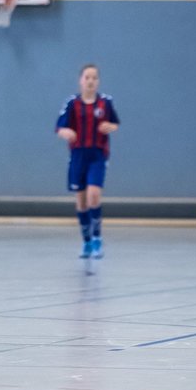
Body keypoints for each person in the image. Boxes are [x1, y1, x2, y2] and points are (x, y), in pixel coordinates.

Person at [56, 64, 120, 259]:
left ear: (98, 81)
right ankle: (86, 242)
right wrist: (65, 132)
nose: (90, 81)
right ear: (81, 80)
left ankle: (98, 238)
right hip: (78, 156)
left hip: (97, 155)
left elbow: (115, 123)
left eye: (94, 78)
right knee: (82, 202)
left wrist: (111, 126)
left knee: (94, 194)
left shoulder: (105, 104)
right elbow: (59, 127)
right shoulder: (72, 104)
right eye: (87, 77)